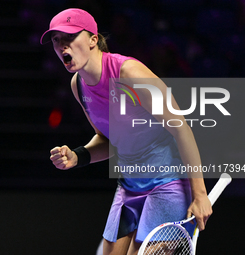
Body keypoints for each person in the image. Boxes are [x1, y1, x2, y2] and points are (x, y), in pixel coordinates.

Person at [41, 8, 212, 255]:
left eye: (70, 37)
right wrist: (79, 156)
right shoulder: (78, 85)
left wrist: (200, 195)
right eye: (56, 40)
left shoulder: (130, 73)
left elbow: (181, 129)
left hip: (168, 181)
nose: (62, 45)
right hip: (131, 184)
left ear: (92, 39)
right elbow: (110, 140)